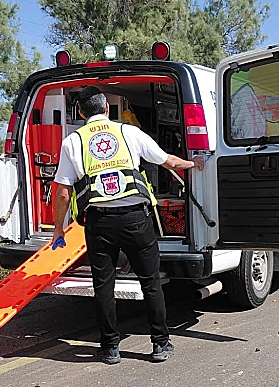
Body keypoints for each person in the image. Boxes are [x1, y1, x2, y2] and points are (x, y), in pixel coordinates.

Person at [51, 86, 204, 364]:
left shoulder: (73, 141)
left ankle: (110, 348)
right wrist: (193, 164)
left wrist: (58, 229)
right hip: (135, 218)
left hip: (99, 222)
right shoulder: (128, 132)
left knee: (104, 285)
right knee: (150, 282)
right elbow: (167, 161)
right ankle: (160, 344)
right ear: (107, 109)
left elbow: (62, 191)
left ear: (82, 113)